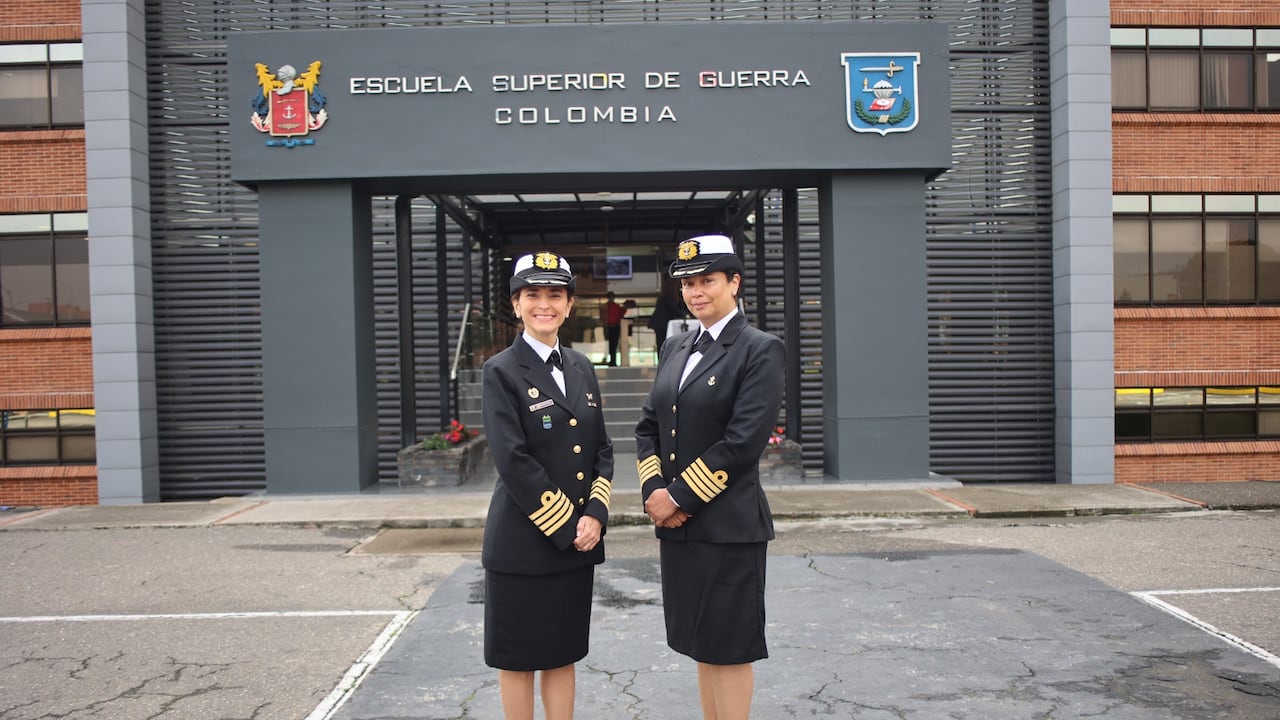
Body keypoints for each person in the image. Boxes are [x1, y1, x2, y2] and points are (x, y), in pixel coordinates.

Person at [634, 234, 785, 720]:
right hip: (679, 528)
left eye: (707, 281)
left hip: (727, 526)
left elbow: (743, 442)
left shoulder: (760, 349)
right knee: (699, 640)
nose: (696, 292)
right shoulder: (675, 346)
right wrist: (654, 490)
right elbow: (648, 427)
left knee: (730, 645)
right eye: (688, 284)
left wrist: (677, 498)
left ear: (734, 282)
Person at [481, 251, 613, 720]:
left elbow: (601, 450)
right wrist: (570, 524)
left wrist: (595, 515)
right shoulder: (500, 370)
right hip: (523, 543)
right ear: (516, 304)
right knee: (518, 660)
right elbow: (512, 460)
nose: (544, 304)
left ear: (570, 304)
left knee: (562, 654)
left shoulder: (581, 366)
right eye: (532, 294)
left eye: (555, 294)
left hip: (575, 545)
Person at [646, 278, 687, 350]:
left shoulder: (671, 295)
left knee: (663, 344)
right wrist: (684, 314)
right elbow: (674, 309)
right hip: (661, 325)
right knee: (662, 344)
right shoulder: (667, 296)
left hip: (663, 324)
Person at [601, 291, 626, 366]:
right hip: (609, 326)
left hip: (614, 326)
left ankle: (613, 360)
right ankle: (612, 360)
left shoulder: (615, 306)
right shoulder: (606, 307)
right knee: (610, 344)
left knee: (614, 344)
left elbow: (620, 314)